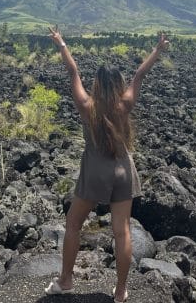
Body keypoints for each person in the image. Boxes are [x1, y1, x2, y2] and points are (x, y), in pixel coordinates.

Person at [44, 27, 170, 302]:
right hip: (124, 171)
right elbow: (140, 74)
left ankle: (66, 280)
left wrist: (61, 44)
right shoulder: (125, 104)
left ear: (98, 84)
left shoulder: (86, 105)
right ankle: (121, 291)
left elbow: (73, 73)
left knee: (74, 223)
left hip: (95, 173)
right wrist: (158, 50)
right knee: (122, 231)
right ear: (118, 84)